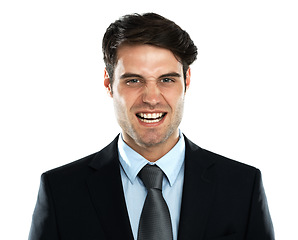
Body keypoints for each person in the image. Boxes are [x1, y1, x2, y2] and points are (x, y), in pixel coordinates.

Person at [29, 13, 274, 240]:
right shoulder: (61, 192)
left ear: (186, 81)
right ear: (108, 83)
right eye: (134, 80)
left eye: (166, 79)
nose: (151, 98)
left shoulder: (242, 186)